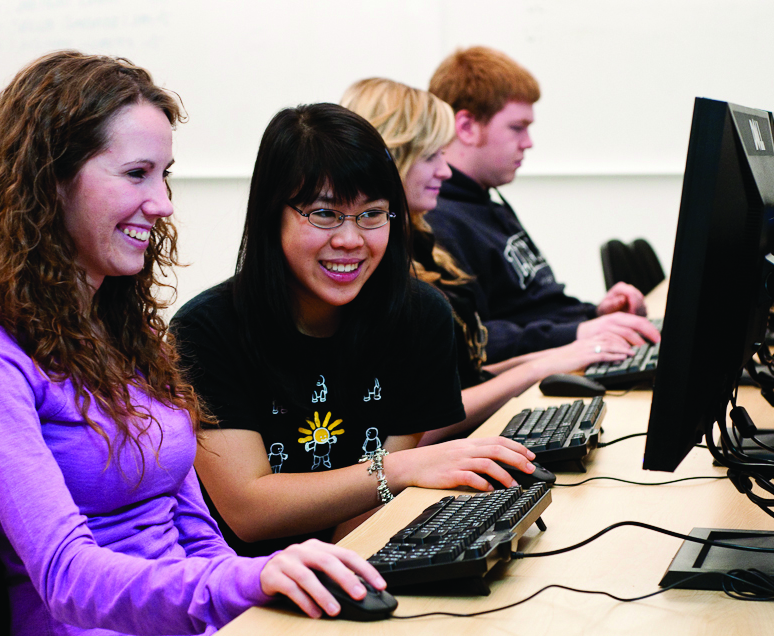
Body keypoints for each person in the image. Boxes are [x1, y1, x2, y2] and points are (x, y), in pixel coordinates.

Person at [0, 51, 385, 635]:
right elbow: (65, 577)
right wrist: (245, 582)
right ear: (49, 181)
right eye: (137, 174)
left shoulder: (129, 332)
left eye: (165, 174)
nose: (162, 202)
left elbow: (195, 536)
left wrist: (260, 601)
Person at [172, 102, 537, 559]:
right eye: (324, 214)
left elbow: (360, 521)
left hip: (361, 560)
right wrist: (403, 468)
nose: (351, 239)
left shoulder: (421, 316)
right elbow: (249, 513)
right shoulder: (205, 330)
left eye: (372, 214)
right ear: (272, 215)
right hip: (247, 586)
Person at [341, 77, 633, 441]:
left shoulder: (425, 248)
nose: (446, 171)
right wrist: (538, 366)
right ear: (390, 160)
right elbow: (411, 431)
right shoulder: (370, 281)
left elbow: (466, 377)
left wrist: (563, 354)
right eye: (432, 155)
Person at [425, 46, 660, 363]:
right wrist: (577, 332)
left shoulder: (488, 201)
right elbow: (472, 340)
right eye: (517, 127)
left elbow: (530, 306)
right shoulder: (437, 221)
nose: (528, 142)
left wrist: (593, 314)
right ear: (466, 127)